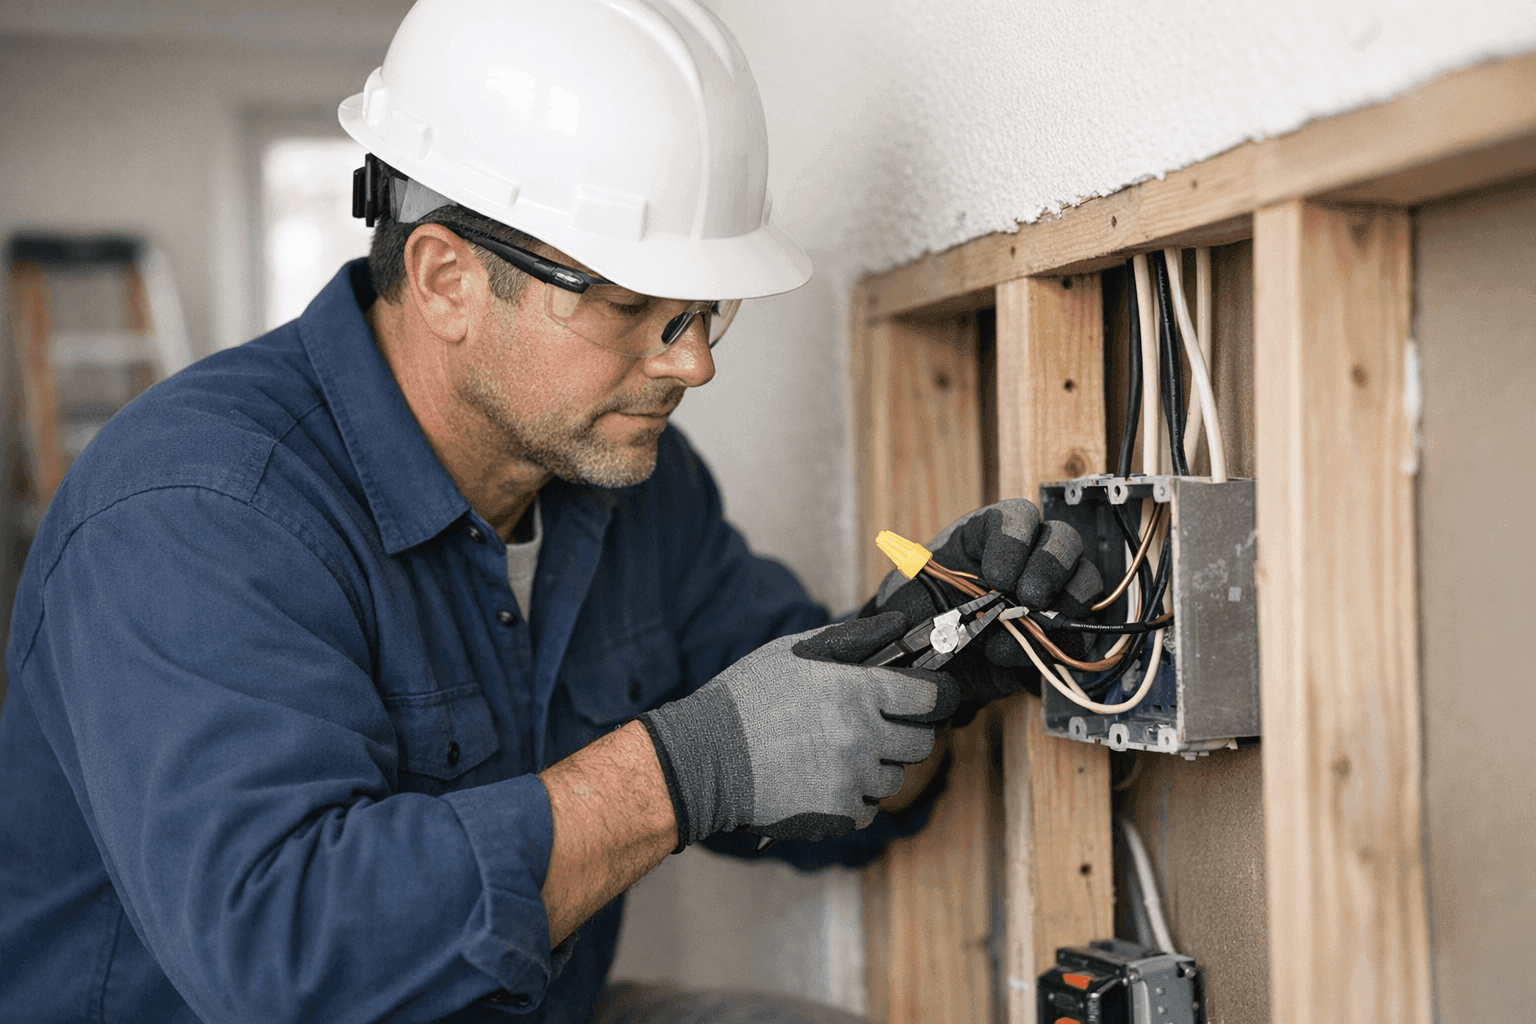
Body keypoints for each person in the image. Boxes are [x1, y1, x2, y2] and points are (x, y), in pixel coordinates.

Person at [0, 1, 1101, 1022]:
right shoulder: (196, 513)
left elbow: (808, 795)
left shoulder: (633, 484)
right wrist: (684, 769)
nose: (696, 362)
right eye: (637, 309)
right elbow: (286, 953)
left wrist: (929, 659)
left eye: (705, 310)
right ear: (444, 279)